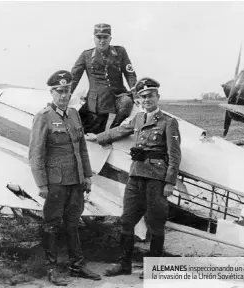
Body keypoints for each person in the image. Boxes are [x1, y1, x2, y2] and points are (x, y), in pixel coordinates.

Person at [84, 77, 181, 278]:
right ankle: (124, 265)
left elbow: (174, 155)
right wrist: (98, 137)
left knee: (155, 223)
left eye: (150, 96)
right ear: (139, 99)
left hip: (156, 179)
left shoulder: (168, 123)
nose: (147, 99)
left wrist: (170, 182)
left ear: (158, 97)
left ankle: (154, 270)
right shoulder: (138, 119)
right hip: (135, 177)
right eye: (143, 96)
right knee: (126, 221)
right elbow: (121, 130)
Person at [29, 70, 102, 286]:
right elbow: (36, 154)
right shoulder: (43, 117)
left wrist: (87, 175)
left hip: (76, 180)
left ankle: (77, 265)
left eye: (67, 91)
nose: (63, 95)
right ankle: (52, 269)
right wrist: (41, 183)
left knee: (73, 223)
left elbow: (82, 148)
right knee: (51, 224)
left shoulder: (73, 114)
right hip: (56, 182)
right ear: (52, 92)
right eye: (59, 91)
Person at [71, 23, 137, 134]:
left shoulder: (120, 52)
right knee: (92, 128)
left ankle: (113, 131)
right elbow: (74, 77)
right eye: (99, 37)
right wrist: (66, 95)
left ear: (110, 38)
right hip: (98, 100)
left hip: (118, 96)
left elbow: (130, 73)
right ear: (94, 38)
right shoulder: (86, 55)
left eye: (105, 37)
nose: (102, 41)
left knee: (126, 102)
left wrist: (136, 94)